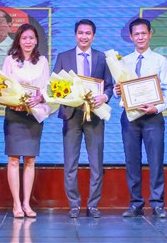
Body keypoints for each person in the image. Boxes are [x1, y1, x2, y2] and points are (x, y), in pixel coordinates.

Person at [53, 19, 113, 218]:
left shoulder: (102, 58)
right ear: (75, 35)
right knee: (70, 162)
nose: (84, 36)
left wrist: (104, 97)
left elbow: (109, 86)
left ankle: (93, 205)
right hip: (71, 115)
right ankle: (74, 205)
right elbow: (54, 86)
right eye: (80, 33)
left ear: (93, 36)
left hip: (94, 115)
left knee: (96, 162)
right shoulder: (63, 57)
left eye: (88, 33)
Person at [115, 18, 167, 219]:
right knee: (132, 161)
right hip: (130, 118)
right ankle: (135, 204)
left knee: (156, 160)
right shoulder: (123, 62)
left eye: (143, 33)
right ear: (131, 37)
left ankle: (157, 204)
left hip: (153, 117)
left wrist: (156, 108)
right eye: (136, 34)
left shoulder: (160, 60)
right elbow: (118, 90)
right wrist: (117, 91)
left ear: (150, 34)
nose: (140, 37)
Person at [2, 24, 51, 218]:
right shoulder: (10, 60)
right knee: (14, 160)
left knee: (30, 160)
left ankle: (26, 203)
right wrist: (12, 102)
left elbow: (47, 87)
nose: (28, 41)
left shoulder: (43, 61)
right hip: (14, 114)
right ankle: (16, 204)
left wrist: (40, 98)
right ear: (18, 40)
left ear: (36, 40)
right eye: (24, 38)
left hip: (34, 114)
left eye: (31, 38)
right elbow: (4, 87)